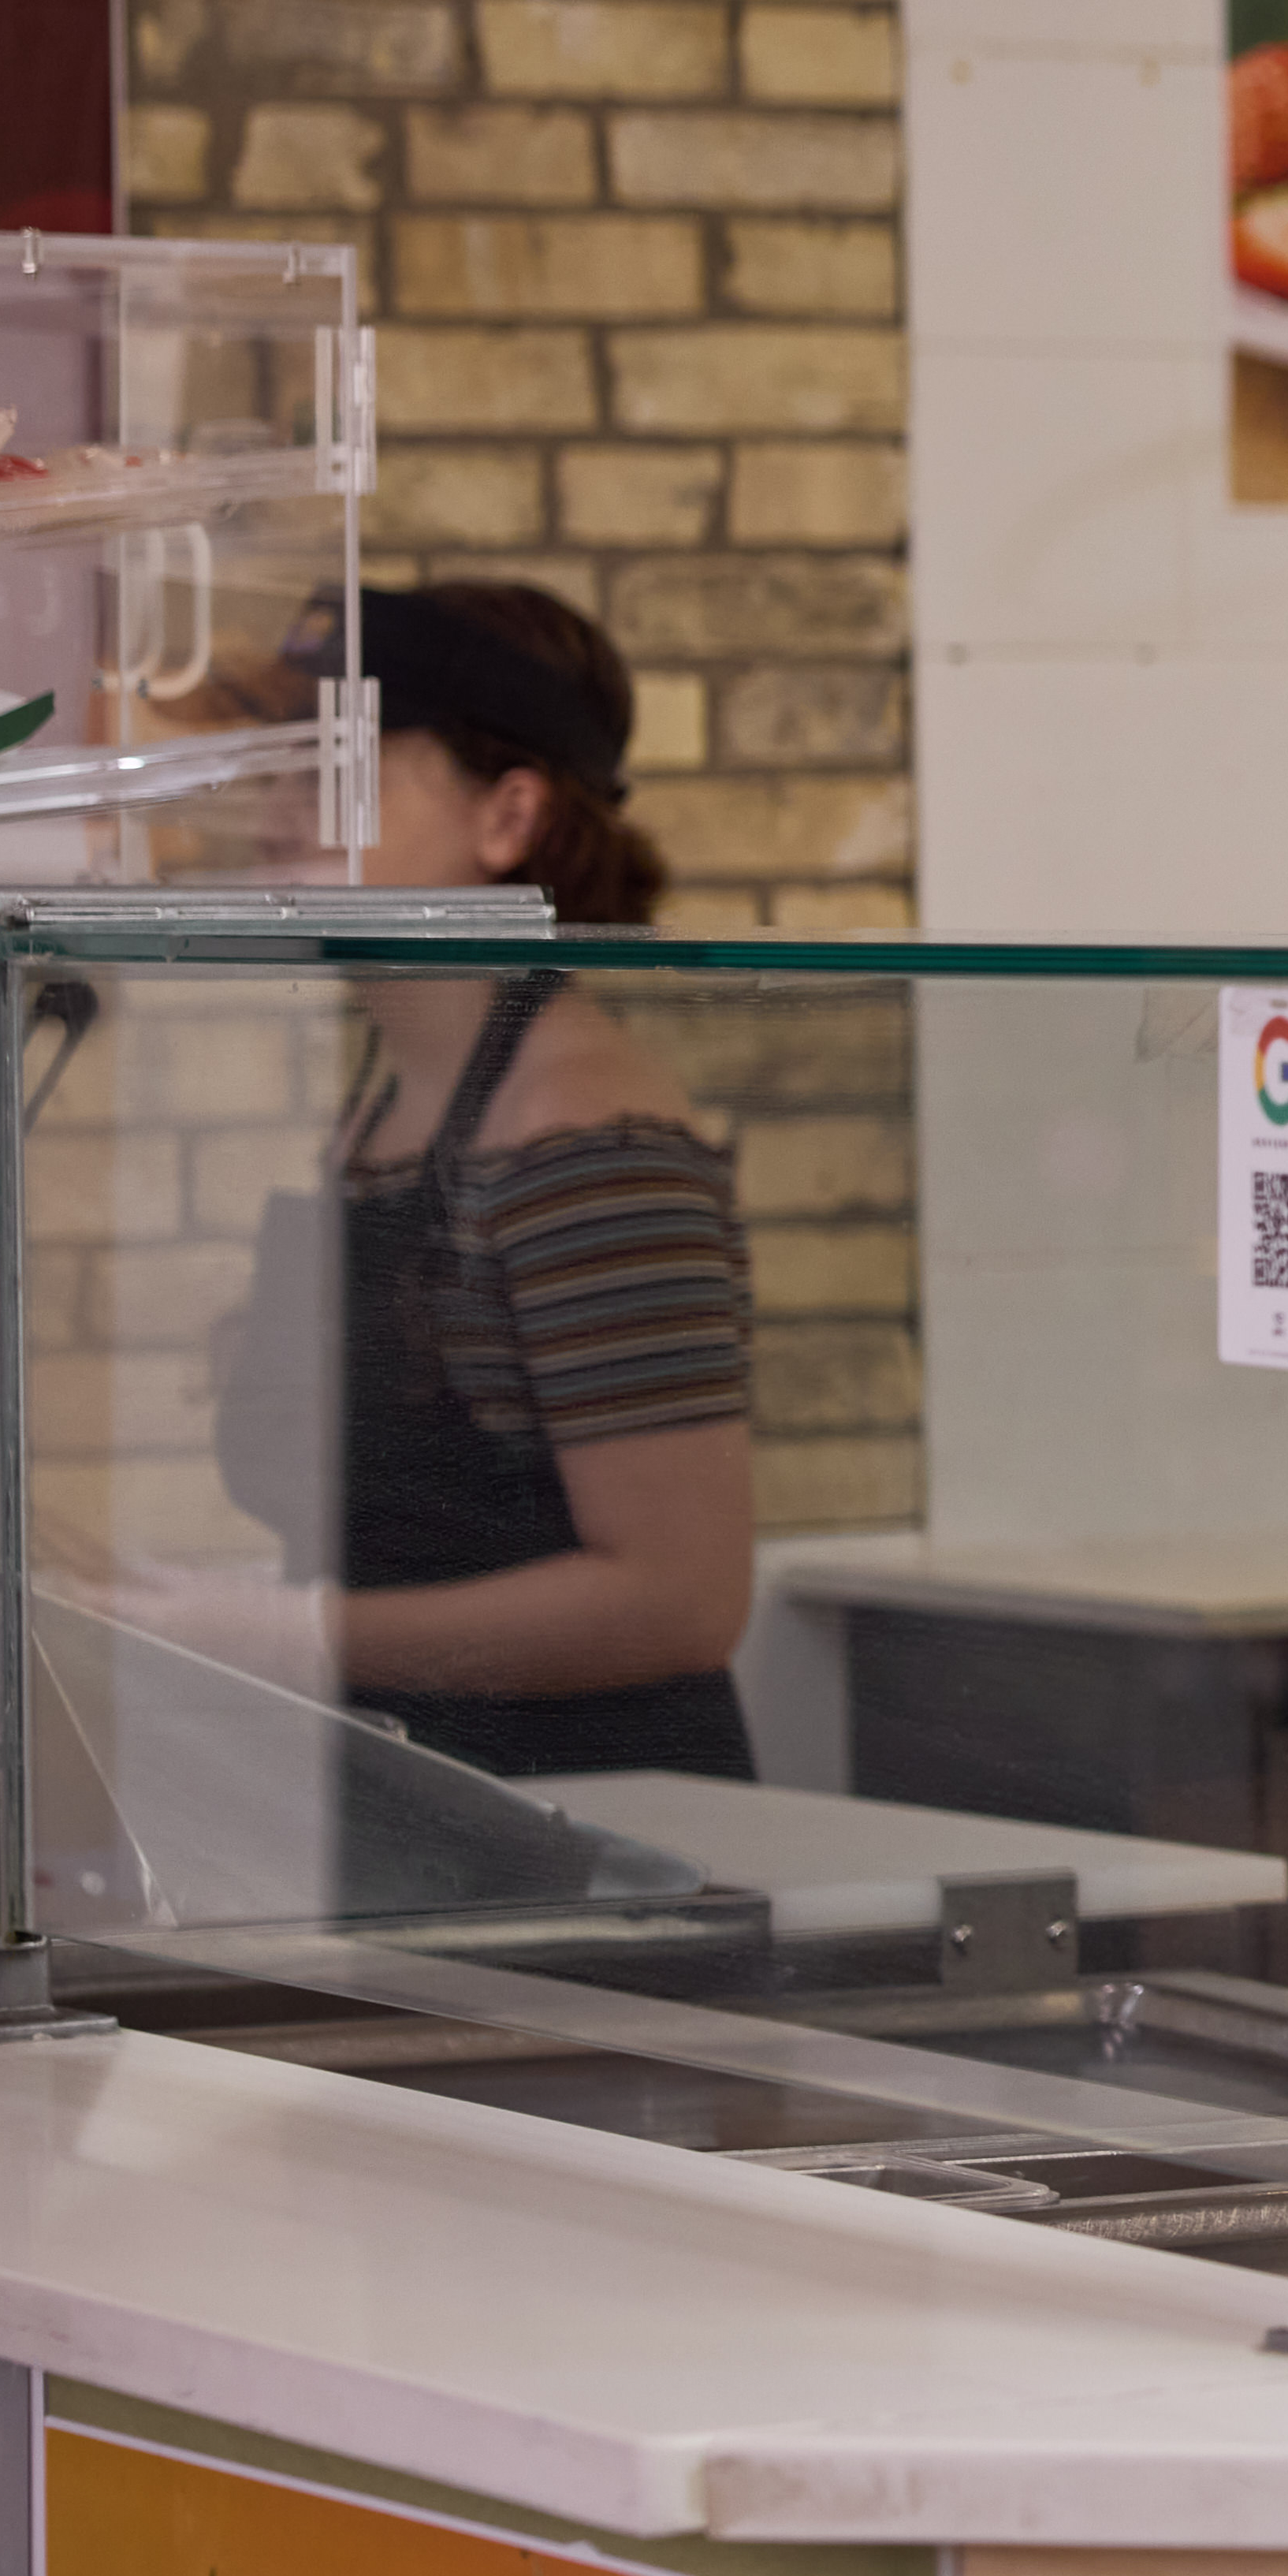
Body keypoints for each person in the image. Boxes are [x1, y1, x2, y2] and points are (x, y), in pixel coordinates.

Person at [210, 580, 761, 1780]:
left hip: (598, 1861)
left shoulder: (582, 1135)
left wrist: (269, 1636)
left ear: (509, 816)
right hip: (409, 1815)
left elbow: (678, 1600)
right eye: (282, 769)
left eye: (336, 770)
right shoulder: (380, 1102)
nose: (274, 817)